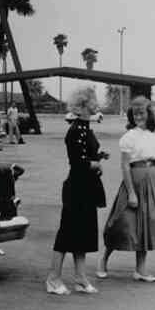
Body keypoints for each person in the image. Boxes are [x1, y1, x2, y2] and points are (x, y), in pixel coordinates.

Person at [98, 97, 155, 282]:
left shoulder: (153, 137)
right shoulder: (129, 137)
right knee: (122, 224)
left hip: (152, 182)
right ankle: (103, 260)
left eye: (142, 113)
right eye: (135, 113)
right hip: (135, 181)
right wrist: (131, 192)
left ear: (149, 114)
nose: (139, 116)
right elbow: (125, 166)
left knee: (146, 226)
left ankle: (140, 270)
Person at [46, 88, 107, 295]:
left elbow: (87, 155)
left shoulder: (85, 128)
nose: (96, 104)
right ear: (82, 106)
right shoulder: (75, 131)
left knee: (84, 232)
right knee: (67, 233)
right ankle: (53, 278)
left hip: (87, 187)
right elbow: (78, 162)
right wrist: (95, 164)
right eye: (92, 102)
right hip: (77, 187)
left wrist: (98, 157)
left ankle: (80, 278)